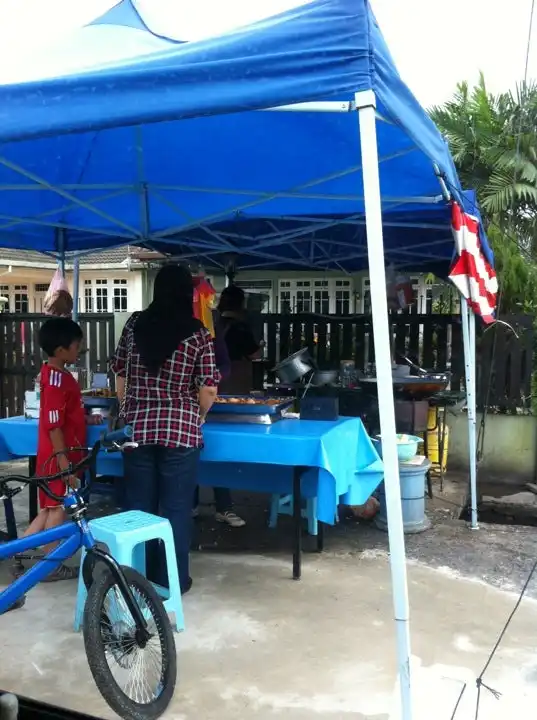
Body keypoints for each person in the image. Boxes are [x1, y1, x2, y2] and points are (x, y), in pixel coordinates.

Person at [110, 264, 220, 596]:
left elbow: (119, 374)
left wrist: (128, 409)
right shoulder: (198, 333)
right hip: (181, 431)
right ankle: (172, 580)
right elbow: (209, 388)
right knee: (176, 509)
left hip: (138, 430)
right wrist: (197, 416)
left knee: (138, 508)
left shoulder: (133, 325)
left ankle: (137, 580)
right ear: (187, 293)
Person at [12, 317, 102, 584]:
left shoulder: (58, 375)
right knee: (58, 510)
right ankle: (50, 564)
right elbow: (54, 425)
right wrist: (64, 463)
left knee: (48, 510)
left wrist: (85, 419)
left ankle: (18, 555)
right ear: (61, 350)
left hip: (58, 454)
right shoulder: (55, 381)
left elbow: (65, 415)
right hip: (57, 456)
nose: (79, 351)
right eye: (76, 347)